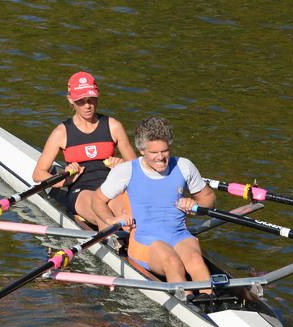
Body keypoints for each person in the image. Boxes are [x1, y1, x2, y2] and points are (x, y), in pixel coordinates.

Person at [92, 116, 216, 285]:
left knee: (195, 259)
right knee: (172, 262)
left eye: (164, 151)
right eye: (154, 153)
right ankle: (185, 300)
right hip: (145, 241)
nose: (160, 157)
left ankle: (209, 298)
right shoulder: (126, 171)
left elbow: (208, 198)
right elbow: (97, 199)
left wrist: (196, 205)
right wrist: (110, 219)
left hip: (179, 235)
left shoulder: (184, 166)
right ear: (142, 151)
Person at [32, 71, 136, 226]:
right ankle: (112, 237)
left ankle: (126, 241)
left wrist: (123, 165)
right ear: (71, 100)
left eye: (91, 100)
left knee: (127, 216)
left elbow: (138, 169)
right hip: (81, 190)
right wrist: (64, 181)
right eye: (81, 101)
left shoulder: (113, 126)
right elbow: (38, 174)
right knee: (100, 214)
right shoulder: (62, 132)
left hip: (110, 185)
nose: (87, 106)